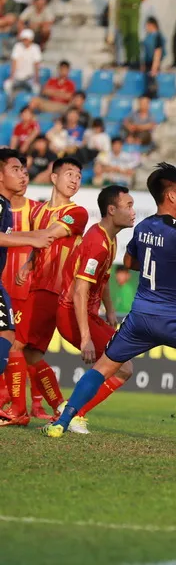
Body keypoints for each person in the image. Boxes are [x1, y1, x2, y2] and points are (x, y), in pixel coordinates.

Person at [43, 162, 176, 439]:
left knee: (103, 368)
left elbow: (130, 262)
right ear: (172, 196)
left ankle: (62, 422)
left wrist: (166, 265)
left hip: (138, 320)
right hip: (173, 318)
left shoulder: (142, 227)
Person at [1, 157, 87, 426]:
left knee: (15, 344)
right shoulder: (37, 212)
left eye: (79, 176)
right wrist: (28, 264)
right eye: (70, 174)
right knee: (30, 353)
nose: (75, 180)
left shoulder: (77, 212)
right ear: (54, 177)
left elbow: (49, 234)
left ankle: (18, 410)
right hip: (36, 287)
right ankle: (61, 407)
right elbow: (40, 246)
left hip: (52, 289)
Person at [54, 185, 136, 434]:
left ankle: (71, 412)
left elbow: (103, 279)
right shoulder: (98, 244)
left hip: (87, 314)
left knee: (123, 366)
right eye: (128, 206)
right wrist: (86, 338)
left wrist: (109, 310)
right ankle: (74, 414)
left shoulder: (109, 238)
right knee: (123, 367)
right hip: (72, 313)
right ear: (111, 210)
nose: (133, 212)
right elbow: (80, 291)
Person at [0, 149, 56, 425]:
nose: (23, 175)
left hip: (17, 289)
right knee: (14, 343)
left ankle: (25, 406)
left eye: (24, 170)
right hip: (7, 286)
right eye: (16, 169)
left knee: (14, 343)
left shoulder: (19, 208)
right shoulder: (2, 205)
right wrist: (33, 240)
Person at [117, 0, 147, 68]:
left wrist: (135, 1)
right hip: (123, 9)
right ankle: (128, 59)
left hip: (133, 9)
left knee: (133, 34)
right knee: (125, 34)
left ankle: (136, 59)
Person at [3, 28, 41, 96]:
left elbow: (36, 64)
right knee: (7, 84)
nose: (25, 41)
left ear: (31, 39)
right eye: (24, 39)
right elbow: (14, 62)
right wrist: (12, 77)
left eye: (26, 39)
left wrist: (36, 79)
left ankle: (34, 101)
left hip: (29, 78)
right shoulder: (18, 46)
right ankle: (8, 101)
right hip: (17, 77)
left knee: (36, 88)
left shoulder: (36, 48)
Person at [142, 16, 165, 97]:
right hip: (148, 63)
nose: (146, 28)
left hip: (153, 64)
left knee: (152, 85)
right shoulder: (149, 36)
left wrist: (154, 68)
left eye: (148, 25)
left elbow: (158, 52)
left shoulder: (157, 36)